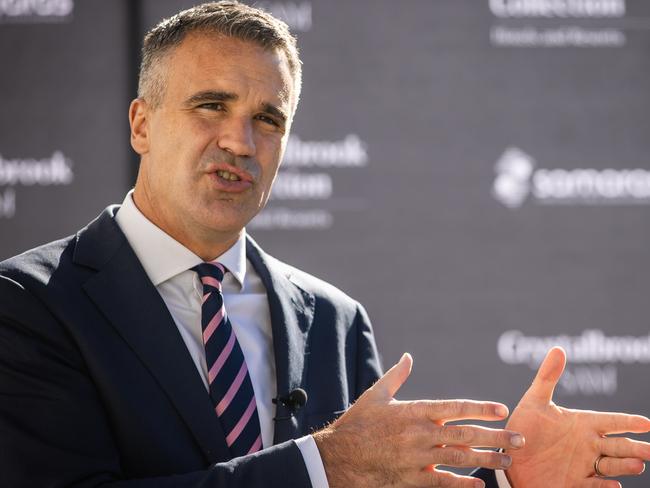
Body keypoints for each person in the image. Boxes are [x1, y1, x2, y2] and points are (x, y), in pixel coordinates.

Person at [0, 2, 649, 487]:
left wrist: (509, 476)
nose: (240, 141)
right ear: (142, 123)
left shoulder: (335, 321)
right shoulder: (28, 306)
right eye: (211, 105)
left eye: (268, 119)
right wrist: (323, 464)